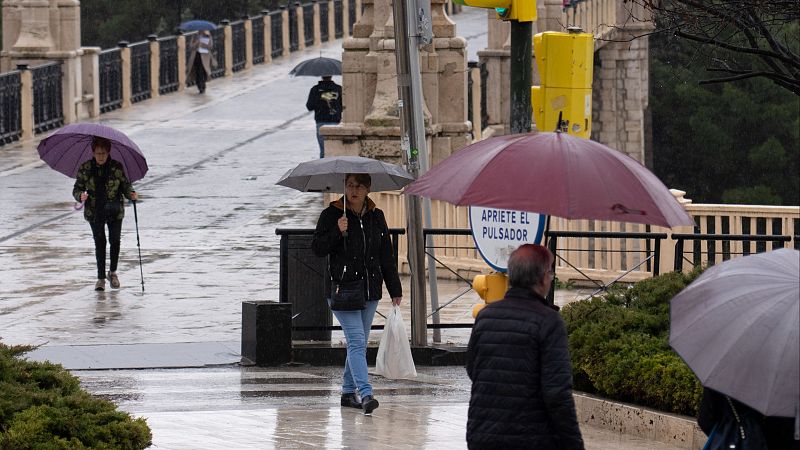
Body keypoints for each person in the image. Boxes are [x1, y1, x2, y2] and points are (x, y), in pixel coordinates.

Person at [466, 244, 584, 450]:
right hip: (530, 439)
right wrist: (574, 444)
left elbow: (472, 369)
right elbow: (557, 394)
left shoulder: (486, 316)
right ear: (542, 278)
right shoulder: (549, 321)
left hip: (482, 435)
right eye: (550, 273)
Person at [311, 173, 402, 415]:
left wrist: (394, 288)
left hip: (370, 290)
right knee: (357, 340)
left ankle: (347, 392)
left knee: (357, 342)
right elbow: (317, 248)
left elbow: (386, 255)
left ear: (368, 189)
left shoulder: (376, 216)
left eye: (359, 186)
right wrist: (337, 231)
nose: (353, 190)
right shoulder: (332, 214)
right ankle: (366, 393)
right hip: (342, 289)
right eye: (350, 185)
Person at [72, 136, 138, 291]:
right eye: (98, 153)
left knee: (115, 240)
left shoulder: (117, 167)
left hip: (114, 209)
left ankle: (112, 272)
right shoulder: (85, 168)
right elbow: (77, 188)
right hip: (94, 211)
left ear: (108, 152)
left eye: (103, 153)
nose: (100, 157)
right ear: (93, 152)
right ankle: (100, 278)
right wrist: (80, 196)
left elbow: (125, 186)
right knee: (99, 242)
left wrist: (131, 194)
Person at [698, 387, 797, 450]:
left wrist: (727, 433)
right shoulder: (786, 375)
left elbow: (705, 420)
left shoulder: (724, 372)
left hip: (732, 442)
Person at [305, 75, 342, 158]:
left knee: (324, 150)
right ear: (331, 76)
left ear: (321, 76)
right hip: (336, 121)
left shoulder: (315, 89)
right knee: (336, 149)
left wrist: (319, 102)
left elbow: (309, 106)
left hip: (321, 122)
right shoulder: (338, 88)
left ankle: (324, 164)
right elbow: (343, 105)